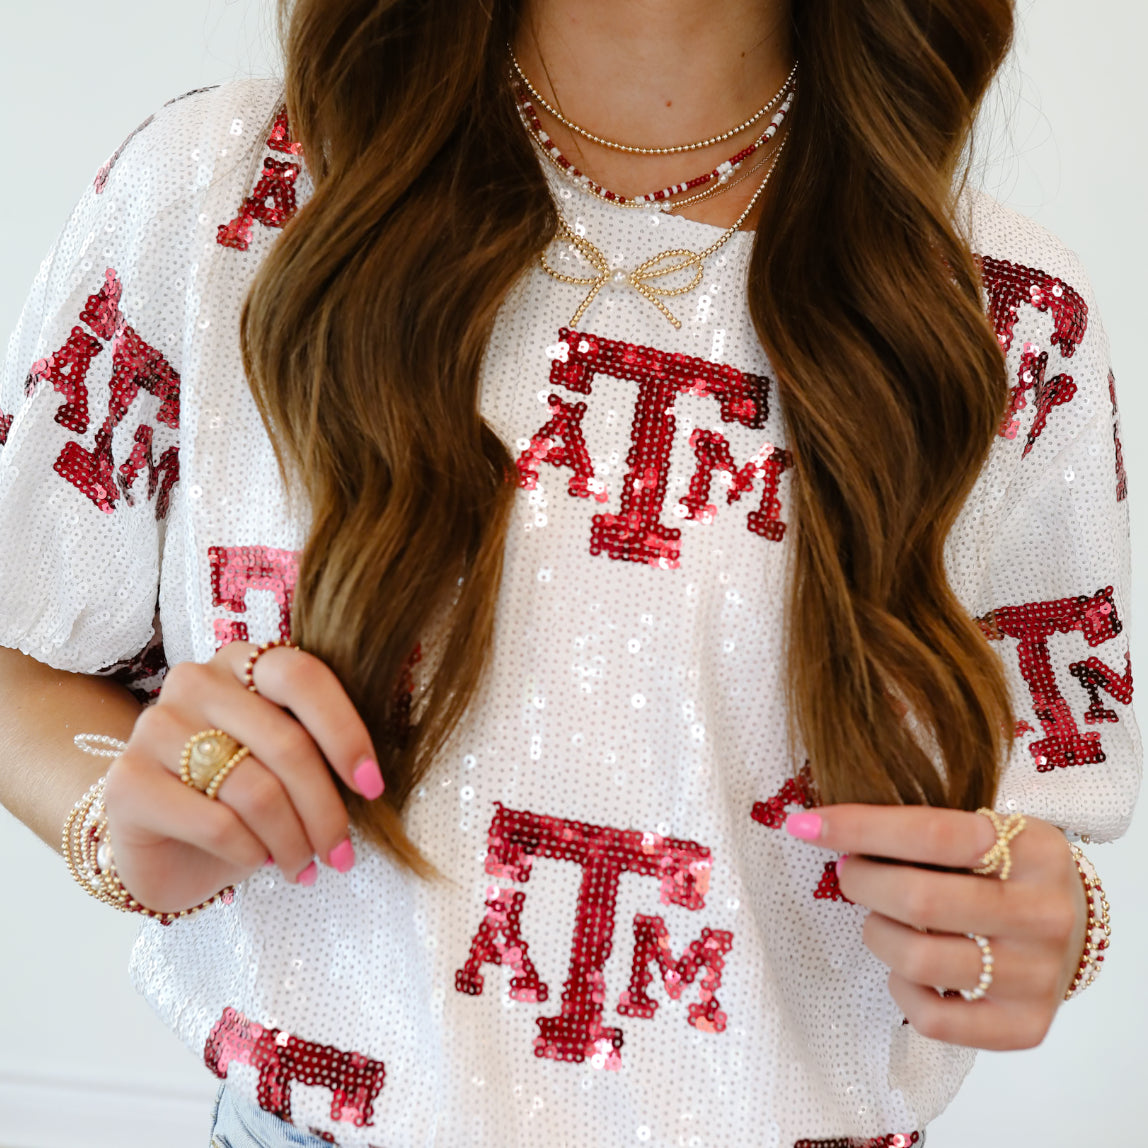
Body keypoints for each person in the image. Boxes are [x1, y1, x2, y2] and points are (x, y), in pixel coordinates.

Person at [0, 0, 1138, 1144]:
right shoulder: (223, 194)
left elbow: (1032, 825)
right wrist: (121, 815)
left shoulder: (1002, 315)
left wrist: (1047, 923)